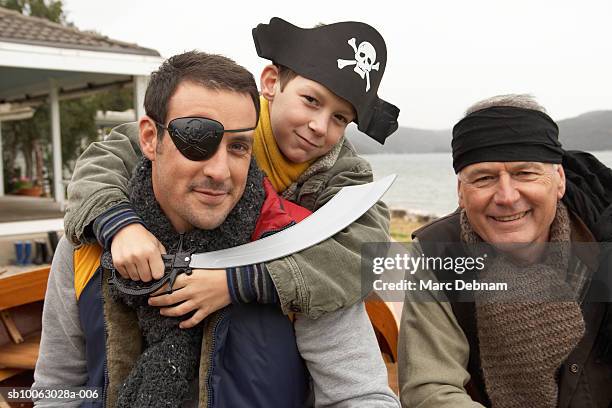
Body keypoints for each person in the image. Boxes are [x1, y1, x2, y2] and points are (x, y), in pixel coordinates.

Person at [33, 51, 399, 407]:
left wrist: (241, 280)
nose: (219, 171)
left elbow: (360, 395)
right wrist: (118, 225)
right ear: (149, 139)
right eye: (197, 139)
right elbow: (56, 389)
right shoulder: (86, 247)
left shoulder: (302, 246)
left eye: (239, 146)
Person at [63, 17, 399, 324]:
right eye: (311, 100)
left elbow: (366, 253)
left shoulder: (346, 177)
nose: (319, 126)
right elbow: (105, 159)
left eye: (340, 118)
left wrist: (237, 281)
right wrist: (121, 226)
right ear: (271, 82)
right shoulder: (224, 119)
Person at [398, 94, 612, 407]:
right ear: (460, 192)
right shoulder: (436, 254)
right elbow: (431, 390)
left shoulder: (601, 239)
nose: (507, 196)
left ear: (559, 180)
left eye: (525, 173)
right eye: (484, 178)